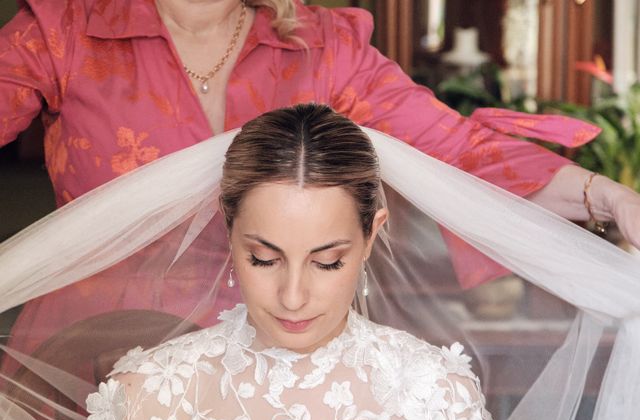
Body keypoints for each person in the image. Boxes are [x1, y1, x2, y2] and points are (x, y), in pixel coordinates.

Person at [2, 0, 640, 376]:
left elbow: (459, 149)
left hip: (280, 356)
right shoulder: (62, 31)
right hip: (93, 356)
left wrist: (605, 197)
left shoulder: (322, 45)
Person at [79, 103, 497, 420]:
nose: (293, 297)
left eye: (327, 261)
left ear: (372, 234)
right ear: (229, 228)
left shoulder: (440, 399)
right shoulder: (144, 397)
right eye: (264, 258)